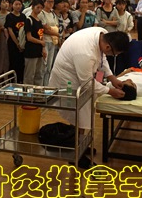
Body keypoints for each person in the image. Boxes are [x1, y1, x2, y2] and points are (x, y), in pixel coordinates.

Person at [48, 28, 128, 168]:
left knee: (82, 114)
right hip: (67, 80)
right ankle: (75, 153)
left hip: (78, 73)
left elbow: (102, 59)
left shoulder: (102, 34)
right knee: (79, 115)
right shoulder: (85, 53)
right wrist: (110, 91)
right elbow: (87, 83)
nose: (112, 56)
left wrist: (112, 78)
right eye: (114, 54)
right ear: (108, 47)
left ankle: (79, 144)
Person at [23, 0, 47, 86]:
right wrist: (40, 42)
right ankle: (28, 92)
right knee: (29, 75)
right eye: (38, 7)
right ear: (33, 7)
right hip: (31, 51)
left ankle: (38, 91)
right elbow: (29, 37)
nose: (39, 10)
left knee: (39, 74)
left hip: (39, 51)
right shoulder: (28, 20)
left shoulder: (39, 21)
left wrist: (43, 48)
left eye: (41, 8)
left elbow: (41, 35)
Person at [5, 0, 26, 83]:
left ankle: (20, 81)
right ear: (12, 5)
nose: (18, 6)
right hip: (13, 43)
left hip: (22, 42)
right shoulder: (9, 16)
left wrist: (22, 44)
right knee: (13, 62)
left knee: (21, 63)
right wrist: (17, 44)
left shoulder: (23, 16)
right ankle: (12, 82)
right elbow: (10, 31)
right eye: (16, 4)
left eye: (19, 4)